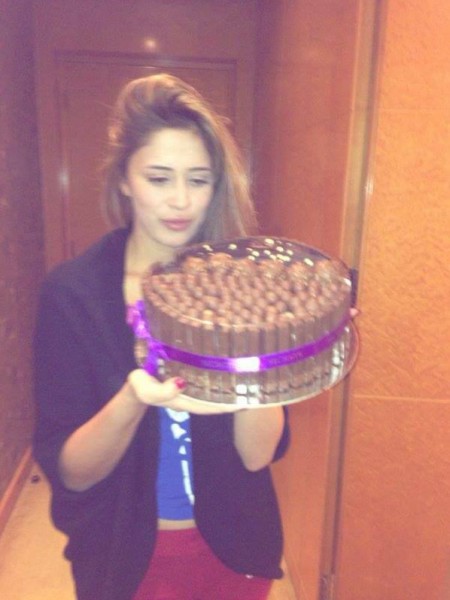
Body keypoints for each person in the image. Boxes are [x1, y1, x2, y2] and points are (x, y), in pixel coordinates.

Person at [33, 73, 289, 600]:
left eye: (198, 180)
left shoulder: (238, 286)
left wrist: (260, 351)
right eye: (158, 178)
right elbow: (72, 472)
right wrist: (134, 397)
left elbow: (256, 455)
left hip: (234, 552)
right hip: (124, 560)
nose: (180, 201)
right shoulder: (74, 295)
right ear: (125, 179)